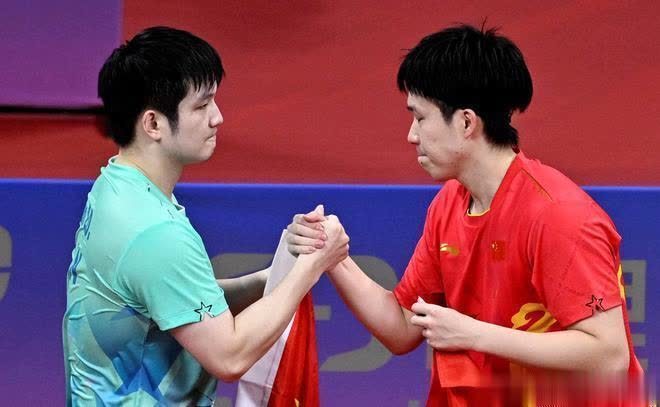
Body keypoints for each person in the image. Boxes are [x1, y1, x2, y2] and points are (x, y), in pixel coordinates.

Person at [287, 24, 643, 406]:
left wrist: (475, 335)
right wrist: (332, 255)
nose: (411, 135)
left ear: (467, 122)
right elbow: (402, 328)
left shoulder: (558, 216)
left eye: (420, 118)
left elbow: (609, 356)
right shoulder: (450, 203)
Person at [62, 26, 349, 406]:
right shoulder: (156, 233)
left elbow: (173, 299)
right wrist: (309, 270)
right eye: (201, 106)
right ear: (153, 124)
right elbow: (229, 355)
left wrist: (273, 277)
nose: (217, 118)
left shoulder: (116, 184)